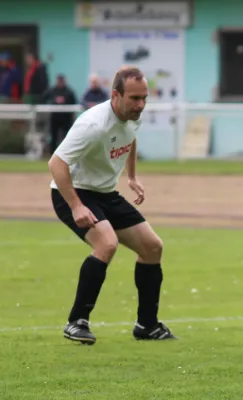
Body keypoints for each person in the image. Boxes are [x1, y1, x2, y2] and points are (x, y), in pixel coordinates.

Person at [48, 66, 175, 345]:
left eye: (144, 98)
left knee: (153, 247)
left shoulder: (132, 116)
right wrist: (77, 206)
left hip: (105, 193)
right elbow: (56, 164)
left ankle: (147, 325)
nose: (140, 105)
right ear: (116, 95)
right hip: (73, 191)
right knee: (106, 244)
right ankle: (76, 322)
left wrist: (131, 176)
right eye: (134, 98)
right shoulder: (93, 124)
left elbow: (130, 139)